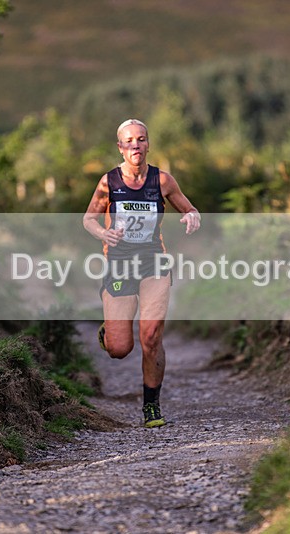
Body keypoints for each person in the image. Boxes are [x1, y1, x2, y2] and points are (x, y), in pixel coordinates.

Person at [83, 118, 200, 428]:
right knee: (119, 349)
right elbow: (88, 219)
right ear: (120, 148)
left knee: (151, 336)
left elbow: (189, 208)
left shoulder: (162, 181)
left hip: (153, 261)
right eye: (129, 141)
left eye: (141, 139)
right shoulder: (109, 182)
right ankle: (110, 331)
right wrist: (103, 234)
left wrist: (192, 216)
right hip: (119, 262)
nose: (136, 144)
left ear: (148, 145)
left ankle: (151, 406)